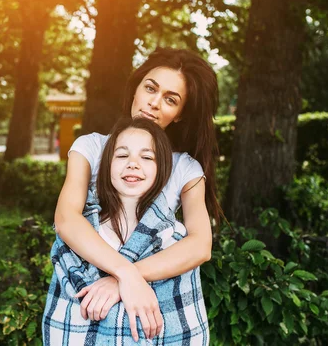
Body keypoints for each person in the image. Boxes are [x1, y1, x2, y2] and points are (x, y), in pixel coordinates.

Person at [45, 47, 222, 342]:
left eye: (170, 99)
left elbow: (200, 245)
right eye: (150, 88)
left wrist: (120, 281)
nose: (153, 103)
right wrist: (126, 275)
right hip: (86, 306)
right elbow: (66, 219)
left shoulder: (185, 169)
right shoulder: (91, 148)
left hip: (154, 316)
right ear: (136, 88)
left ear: (179, 115)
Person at [43, 117, 209, 345]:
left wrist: (120, 280)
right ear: (105, 165)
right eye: (122, 155)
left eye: (147, 157)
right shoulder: (78, 237)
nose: (133, 164)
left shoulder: (175, 242)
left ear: (162, 170)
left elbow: (187, 325)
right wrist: (127, 276)